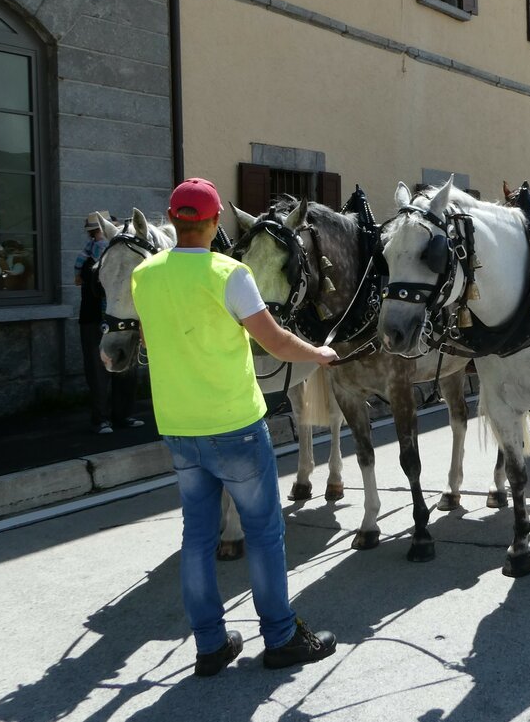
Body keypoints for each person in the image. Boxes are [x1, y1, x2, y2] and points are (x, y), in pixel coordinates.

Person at [130, 177, 339, 676]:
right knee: (265, 532)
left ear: (172, 217)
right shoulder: (230, 273)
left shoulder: (143, 275)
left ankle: (210, 645)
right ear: (216, 221)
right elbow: (276, 341)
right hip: (234, 426)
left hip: (178, 426)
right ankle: (282, 637)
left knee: (197, 537)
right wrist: (319, 353)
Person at [76, 211, 144, 435]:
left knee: (125, 369)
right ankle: (102, 418)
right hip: (96, 319)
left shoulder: (108, 254)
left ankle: (122, 415)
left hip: (115, 319)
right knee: (99, 372)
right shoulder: (93, 257)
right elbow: (87, 284)